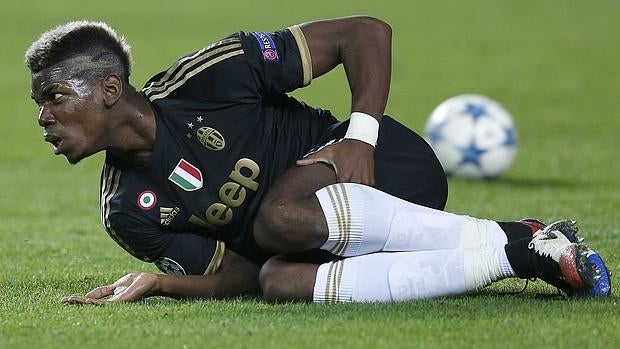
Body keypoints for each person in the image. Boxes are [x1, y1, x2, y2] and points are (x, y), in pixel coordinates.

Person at [25, 16, 610, 305]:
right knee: (280, 281)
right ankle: (523, 251)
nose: (44, 119)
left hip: (389, 167)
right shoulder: (128, 209)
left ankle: (515, 241)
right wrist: (160, 282)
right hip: (340, 242)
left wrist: (360, 134)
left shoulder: (206, 78)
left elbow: (365, 32)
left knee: (279, 219)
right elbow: (243, 275)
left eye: (53, 97)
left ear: (107, 89)